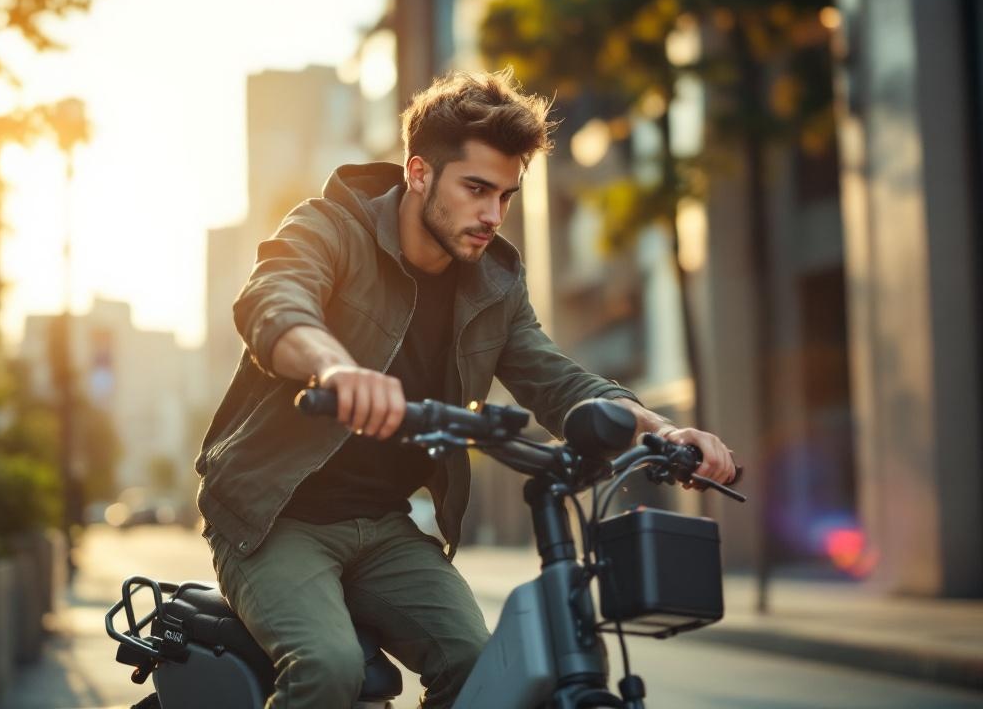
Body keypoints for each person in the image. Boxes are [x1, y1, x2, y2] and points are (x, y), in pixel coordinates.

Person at [195, 68, 737, 709]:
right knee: (329, 668)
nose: (491, 214)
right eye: (476, 188)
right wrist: (335, 368)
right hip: (272, 517)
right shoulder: (331, 227)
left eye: (505, 196)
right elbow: (273, 301)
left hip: (383, 527)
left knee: (486, 669)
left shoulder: (496, 284)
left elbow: (559, 380)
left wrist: (663, 432)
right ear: (419, 172)